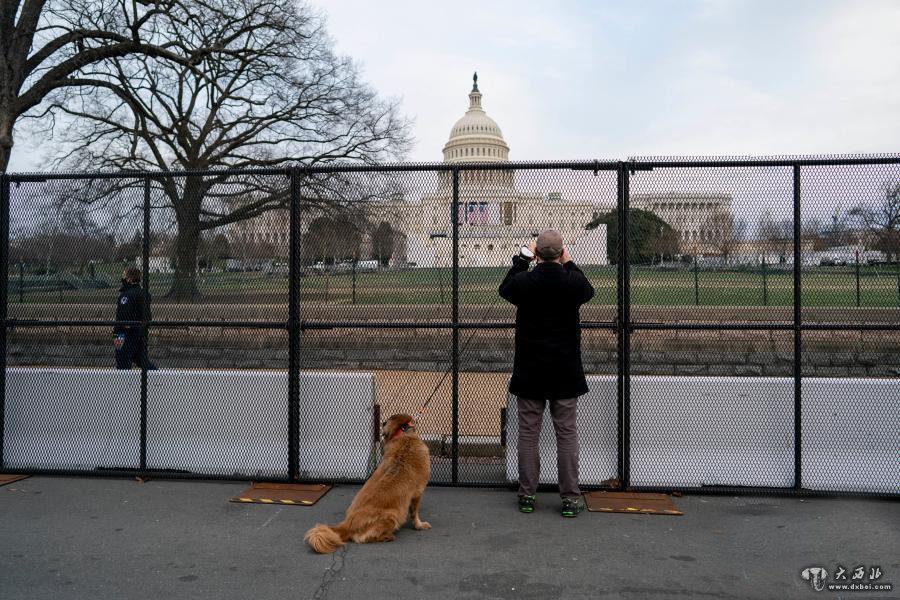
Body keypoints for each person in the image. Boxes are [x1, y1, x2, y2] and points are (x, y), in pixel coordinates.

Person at [498, 229, 595, 517]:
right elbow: (588, 290)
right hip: (564, 370)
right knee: (566, 435)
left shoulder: (525, 281)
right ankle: (569, 496)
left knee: (529, 434)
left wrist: (522, 258)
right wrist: (569, 262)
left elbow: (505, 288)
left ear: (537, 253)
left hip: (531, 369)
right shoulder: (572, 282)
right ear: (562, 252)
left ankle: (527, 494)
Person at [114, 266, 157, 370]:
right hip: (140, 332)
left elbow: (122, 317)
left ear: (129, 278)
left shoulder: (126, 296)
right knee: (142, 360)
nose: (123, 278)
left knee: (122, 361)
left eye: (124, 275)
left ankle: (123, 384)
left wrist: (117, 333)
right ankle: (157, 376)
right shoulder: (143, 294)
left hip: (123, 333)